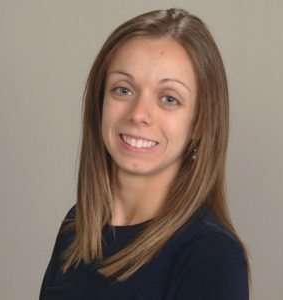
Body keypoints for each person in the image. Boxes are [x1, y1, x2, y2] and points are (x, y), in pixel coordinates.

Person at [39, 8, 251, 300]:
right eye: (123, 90)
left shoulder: (211, 255)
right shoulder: (77, 227)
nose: (139, 114)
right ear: (100, 102)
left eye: (169, 98)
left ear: (200, 123)